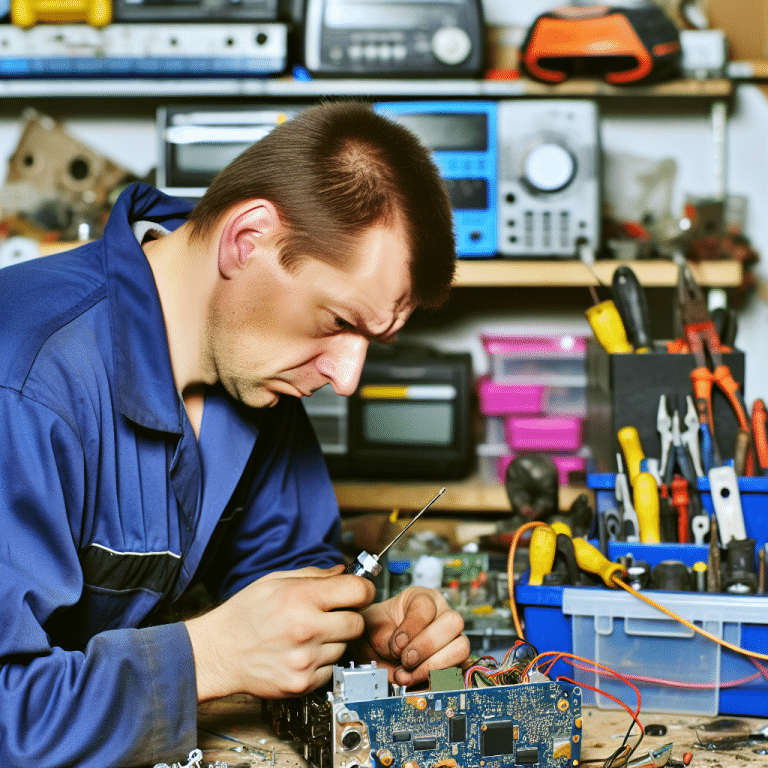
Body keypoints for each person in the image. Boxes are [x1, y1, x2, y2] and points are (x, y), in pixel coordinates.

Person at [0, 100, 468, 767]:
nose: (348, 379)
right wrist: (211, 656)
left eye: (374, 343)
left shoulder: (255, 374)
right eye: (339, 321)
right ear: (247, 241)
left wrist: (356, 639)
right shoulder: (22, 381)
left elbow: (283, 579)